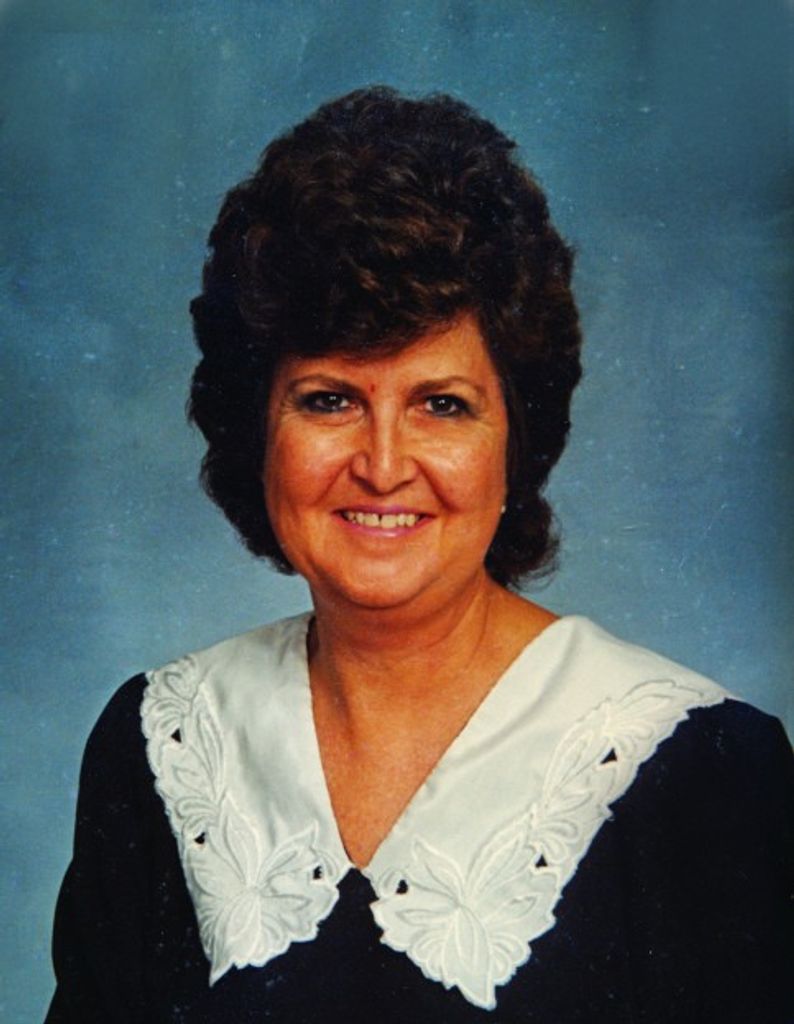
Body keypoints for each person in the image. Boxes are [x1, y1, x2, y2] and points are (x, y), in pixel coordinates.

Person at [46, 86, 792, 1023]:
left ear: (514, 438)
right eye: (329, 400)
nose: (383, 464)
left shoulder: (703, 769)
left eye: (442, 404)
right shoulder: (162, 745)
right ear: (256, 430)